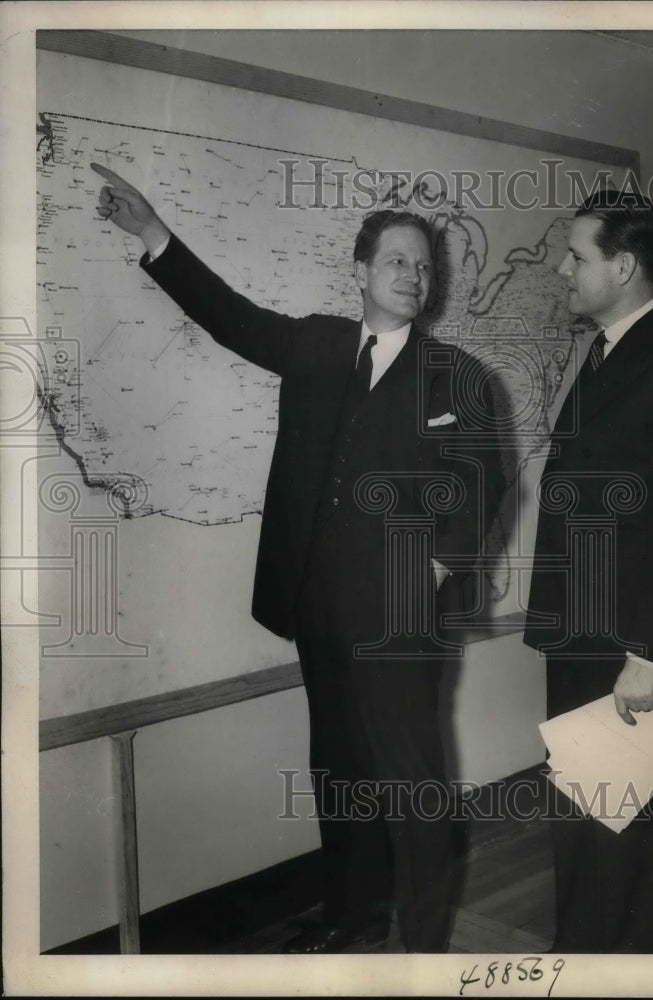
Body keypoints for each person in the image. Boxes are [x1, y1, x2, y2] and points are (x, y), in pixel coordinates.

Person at [91, 162, 501, 954]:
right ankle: (353, 924)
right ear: (360, 271)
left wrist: (439, 568)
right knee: (342, 776)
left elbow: (482, 485)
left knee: (411, 785)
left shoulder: (460, 377)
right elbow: (229, 317)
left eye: (423, 265)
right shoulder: (315, 346)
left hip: (399, 625)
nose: (413, 276)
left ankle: (422, 947)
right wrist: (150, 232)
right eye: (396, 261)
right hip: (320, 611)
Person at [523, 189, 653, 952]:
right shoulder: (612, 349)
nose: (560, 267)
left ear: (622, 265)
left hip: (629, 650)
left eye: (575, 255)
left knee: (634, 839)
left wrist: (645, 661)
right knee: (586, 820)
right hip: (582, 637)